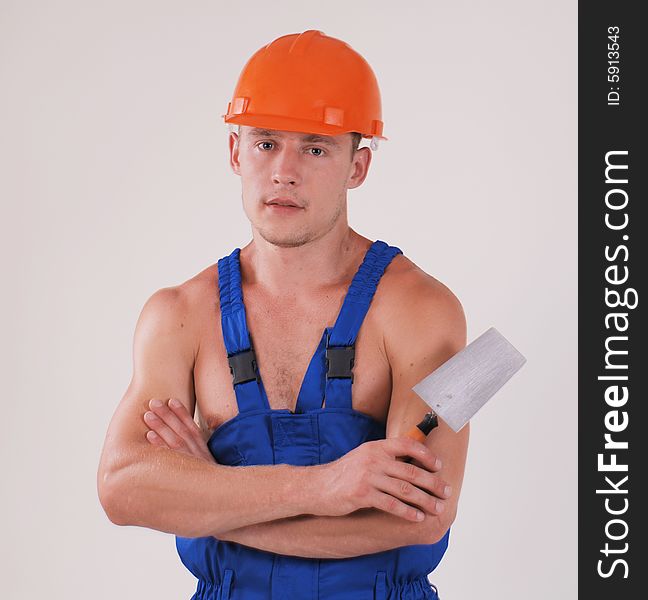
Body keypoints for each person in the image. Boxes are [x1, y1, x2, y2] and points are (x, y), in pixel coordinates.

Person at [97, 30, 469, 600]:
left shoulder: (422, 310)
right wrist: (327, 487)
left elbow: (419, 517)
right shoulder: (178, 315)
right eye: (266, 143)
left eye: (316, 148)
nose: (284, 172)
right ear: (234, 152)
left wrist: (211, 499)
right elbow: (122, 489)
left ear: (358, 166)